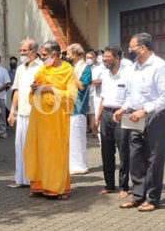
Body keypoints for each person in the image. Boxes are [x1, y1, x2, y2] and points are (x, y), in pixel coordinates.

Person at [113, 32, 165, 212]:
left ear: (143, 48)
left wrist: (144, 110)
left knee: (154, 159)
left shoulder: (159, 66)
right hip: (134, 116)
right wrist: (124, 107)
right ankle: (138, 196)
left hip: (154, 117)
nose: (129, 50)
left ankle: (153, 199)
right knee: (136, 157)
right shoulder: (133, 68)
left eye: (131, 47)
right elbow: (131, 94)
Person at [24, 40, 76, 199]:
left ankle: (57, 188)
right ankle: (39, 187)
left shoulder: (68, 71)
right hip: (39, 119)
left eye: (44, 55)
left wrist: (50, 89)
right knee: (37, 151)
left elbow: (72, 96)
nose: (42, 58)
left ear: (54, 55)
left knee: (55, 152)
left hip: (57, 120)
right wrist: (34, 89)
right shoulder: (42, 70)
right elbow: (34, 90)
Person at [94, 46, 130, 198]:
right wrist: (98, 118)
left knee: (124, 151)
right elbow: (103, 98)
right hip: (107, 115)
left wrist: (123, 110)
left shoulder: (127, 74)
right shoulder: (105, 74)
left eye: (107, 57)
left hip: (122, 114)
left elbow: (131, 95)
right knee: (106, 151)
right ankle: (109, 184)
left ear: (117, 58)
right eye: (103, 57)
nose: (104, 60)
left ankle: (124, 186)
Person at [7, 39, 42, 188]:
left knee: (35, 148)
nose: (21, 53)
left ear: (33, 51)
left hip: (37, 114)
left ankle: (35, 179)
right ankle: (21, 178)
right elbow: (17, 90)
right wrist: (12, 112)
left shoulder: (42, 67)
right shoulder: (21, 68)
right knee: (20, 146)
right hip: (22, 114)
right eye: (20, 50)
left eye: (24, 51)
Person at [67, 43, 92, 175]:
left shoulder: (85, 68)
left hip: (79, 106)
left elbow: (82, 86)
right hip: (67, 104)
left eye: (69, 53)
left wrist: (71, 73)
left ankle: (80, 165)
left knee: (78, 137)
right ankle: (71, 164)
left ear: (75, 53)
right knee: (70, 137)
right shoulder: (73, 66)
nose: (67, 56)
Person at [87, 50, 106, 140]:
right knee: (90, 113)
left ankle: (99, 132)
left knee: (97, 114)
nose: (89, 60)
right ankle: (93, 129)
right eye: (87, 58)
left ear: (95, 58)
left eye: (91, 58)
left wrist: (92, 82)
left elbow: (102, 80)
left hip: (98, 95)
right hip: (88, 94)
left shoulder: (100, 68)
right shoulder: (85, 68)